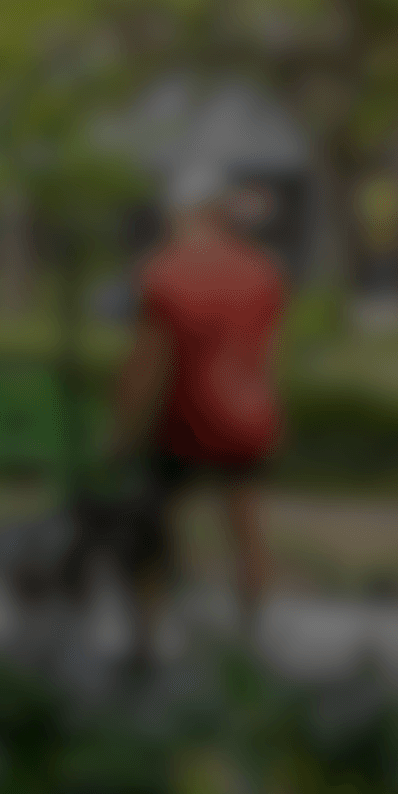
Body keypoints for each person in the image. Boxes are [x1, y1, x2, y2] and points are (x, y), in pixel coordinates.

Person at [108, 161, 290, 672]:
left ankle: (145, 642)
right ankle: (252, 641)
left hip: (184, 419)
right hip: (248, 416)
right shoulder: (264, 271)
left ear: (183, 213)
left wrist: (122, 430)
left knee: (149, 529)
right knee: (248, 532)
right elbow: (270, 354)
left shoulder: (161, 272)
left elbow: (148, 362)